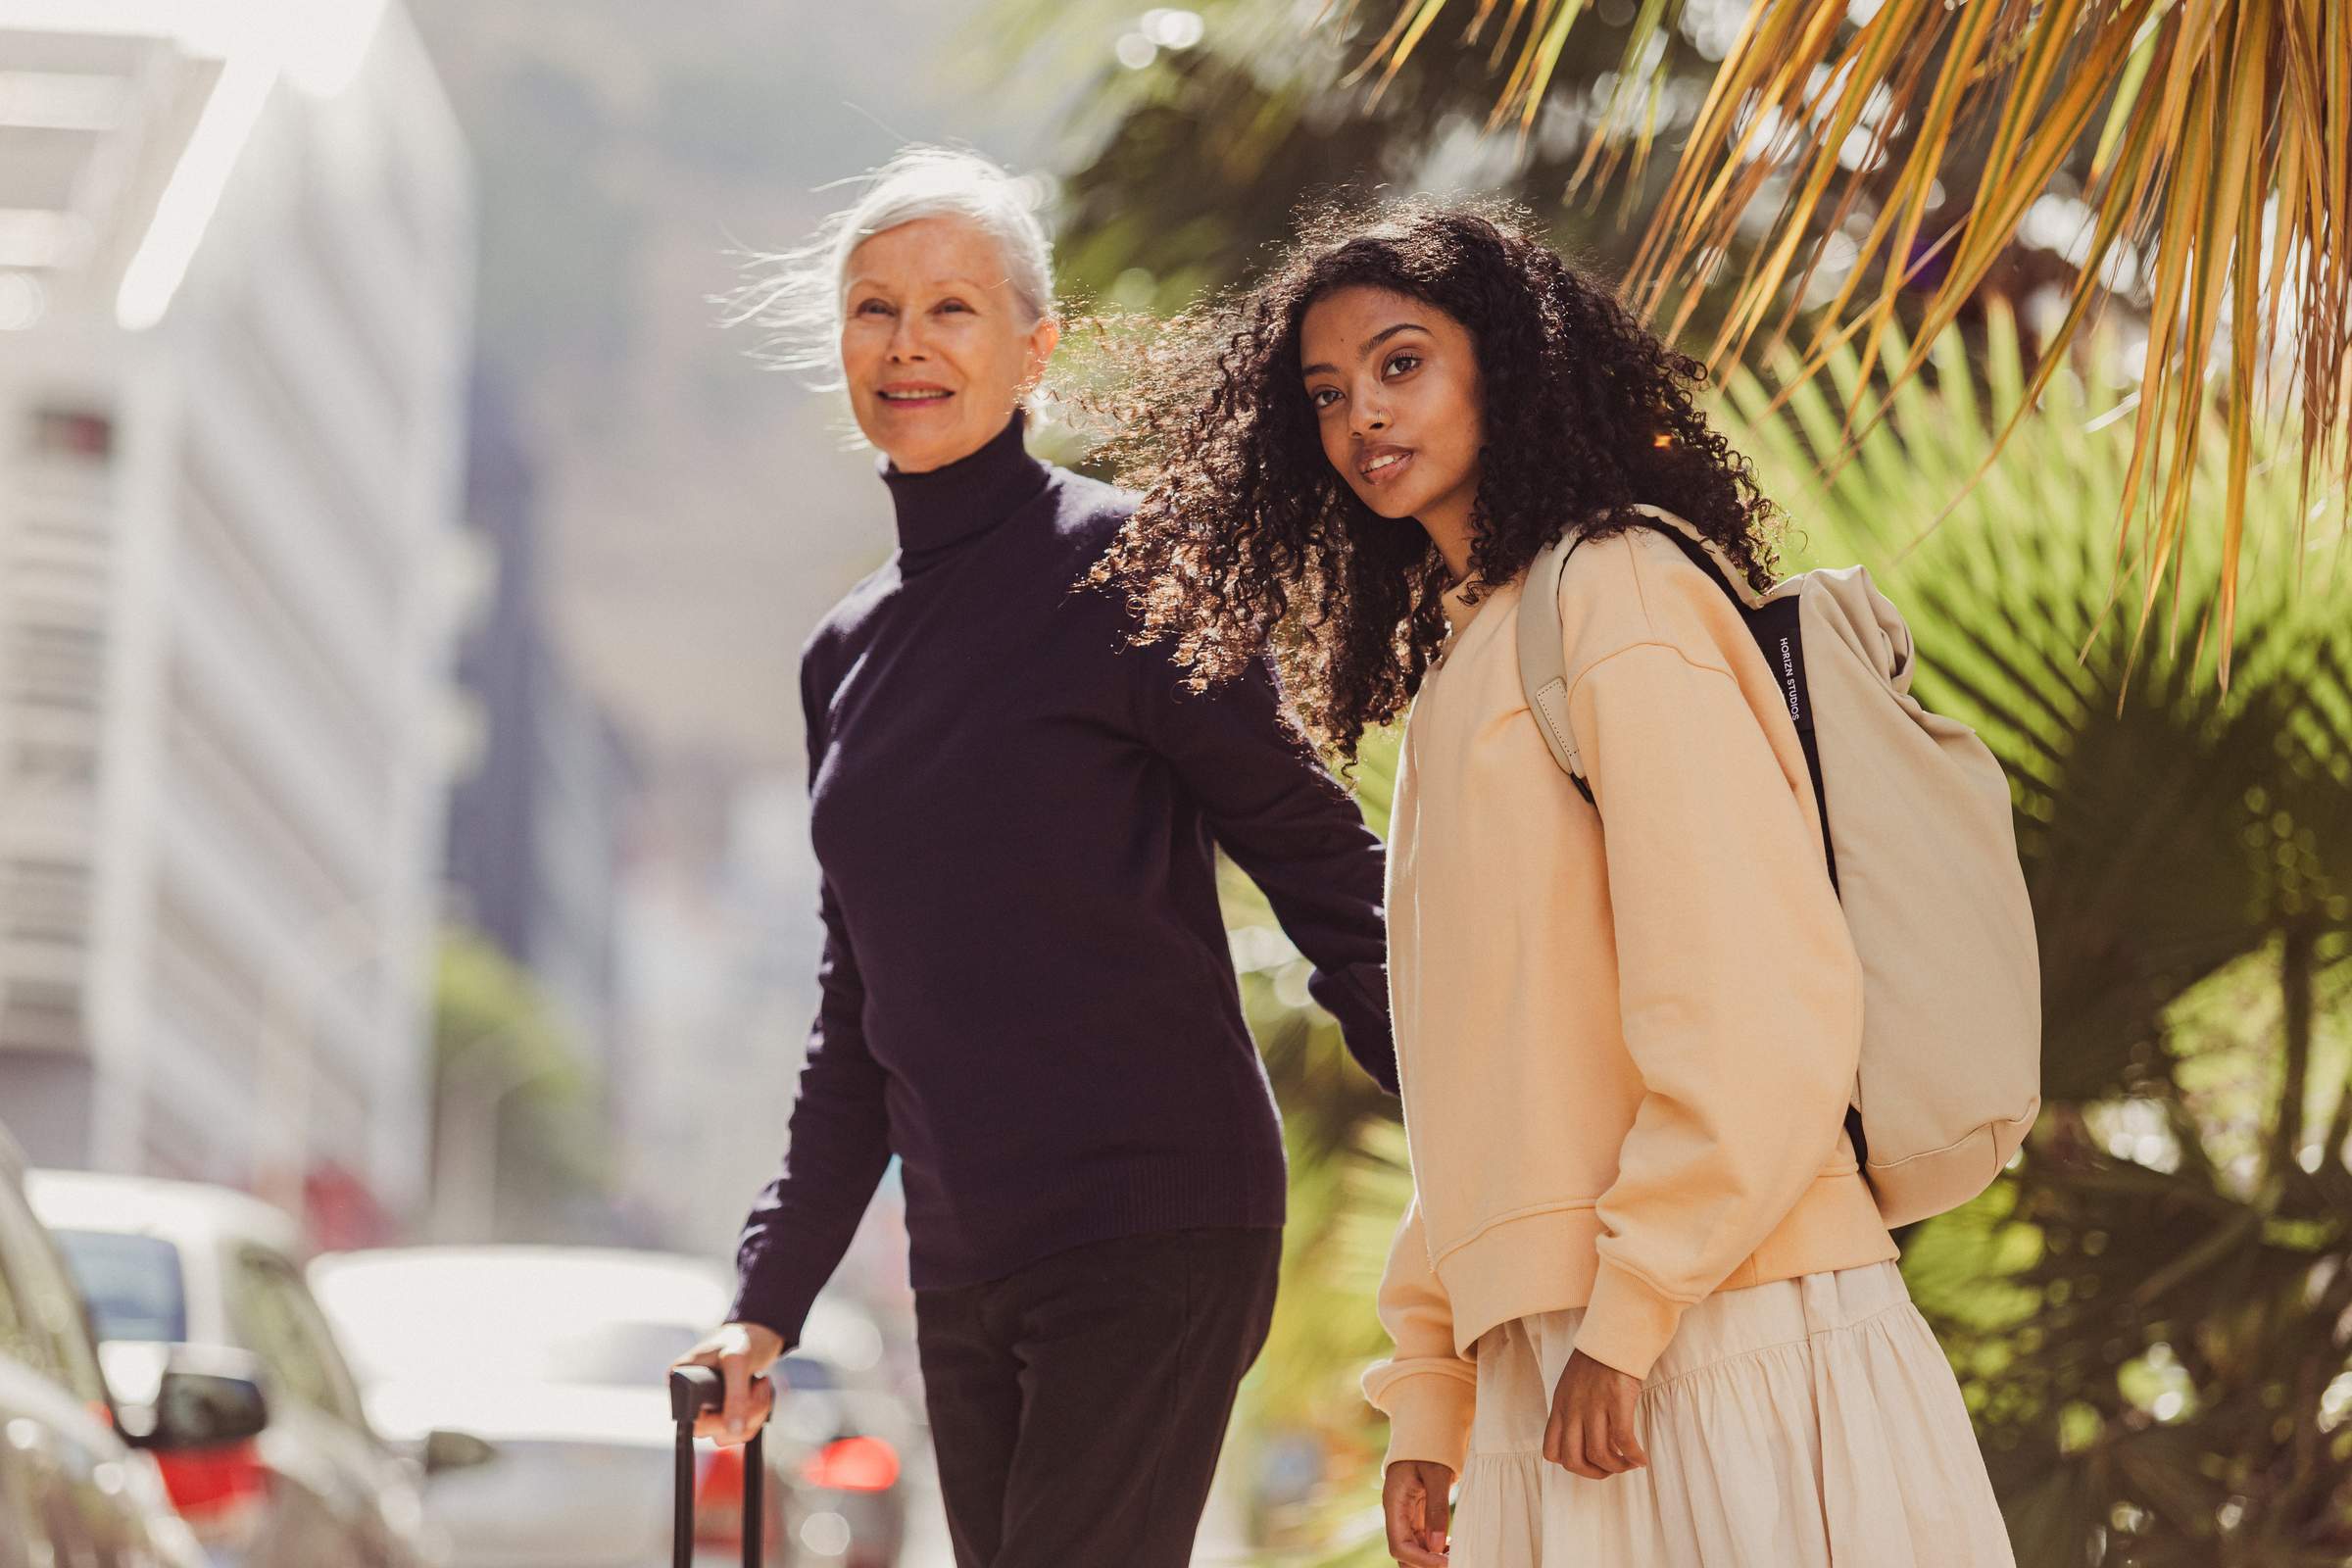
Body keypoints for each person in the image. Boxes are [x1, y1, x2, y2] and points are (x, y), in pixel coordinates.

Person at [1094, 197, 2014, 1566]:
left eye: (1403, 364)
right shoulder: (1473, 660)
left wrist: (1635, 1305)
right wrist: (1432, 1391)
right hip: (1583, 1366)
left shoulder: (1619, 595)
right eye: (1330, 393)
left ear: (1506, 365)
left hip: (1724, 1334)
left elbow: (1752, 989)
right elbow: (1484, 1079)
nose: (1362, 420)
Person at [670, 147, 1396, 1568]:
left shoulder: (1136, 570)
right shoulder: (845, 654)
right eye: (874, 310)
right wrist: (768, 1299)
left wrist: (1492, 1137)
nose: (908, 344)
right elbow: (861, 1017)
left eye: (951, 309)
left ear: (1033, 347)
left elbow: (1327, 870)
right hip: (967, 1258)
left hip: (1155, 1215)